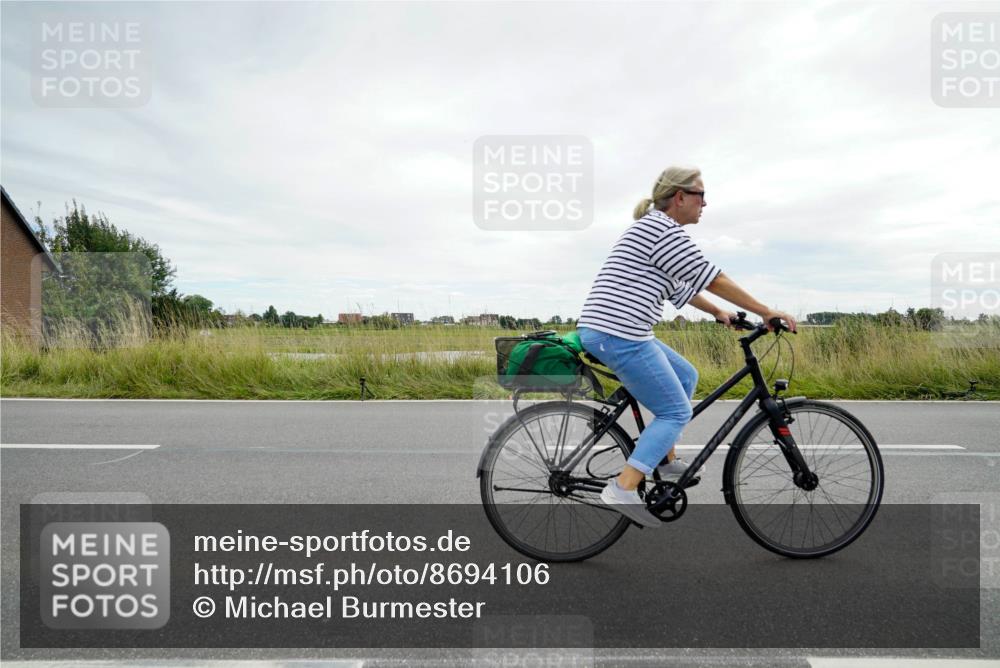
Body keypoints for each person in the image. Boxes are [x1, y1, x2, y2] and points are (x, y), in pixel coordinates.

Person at [577, 166, 797, 528]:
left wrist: (720, 313)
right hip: (619, 333)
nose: (705, 203)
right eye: (700, 195)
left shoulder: (656, 230)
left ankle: (664, 459)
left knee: (685, 375)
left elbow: (684, 288)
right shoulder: (662, 230)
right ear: (680, 197)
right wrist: (766, 311)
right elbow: (713, 277)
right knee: (675, 412)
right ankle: (623, 487)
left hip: (615, 331)